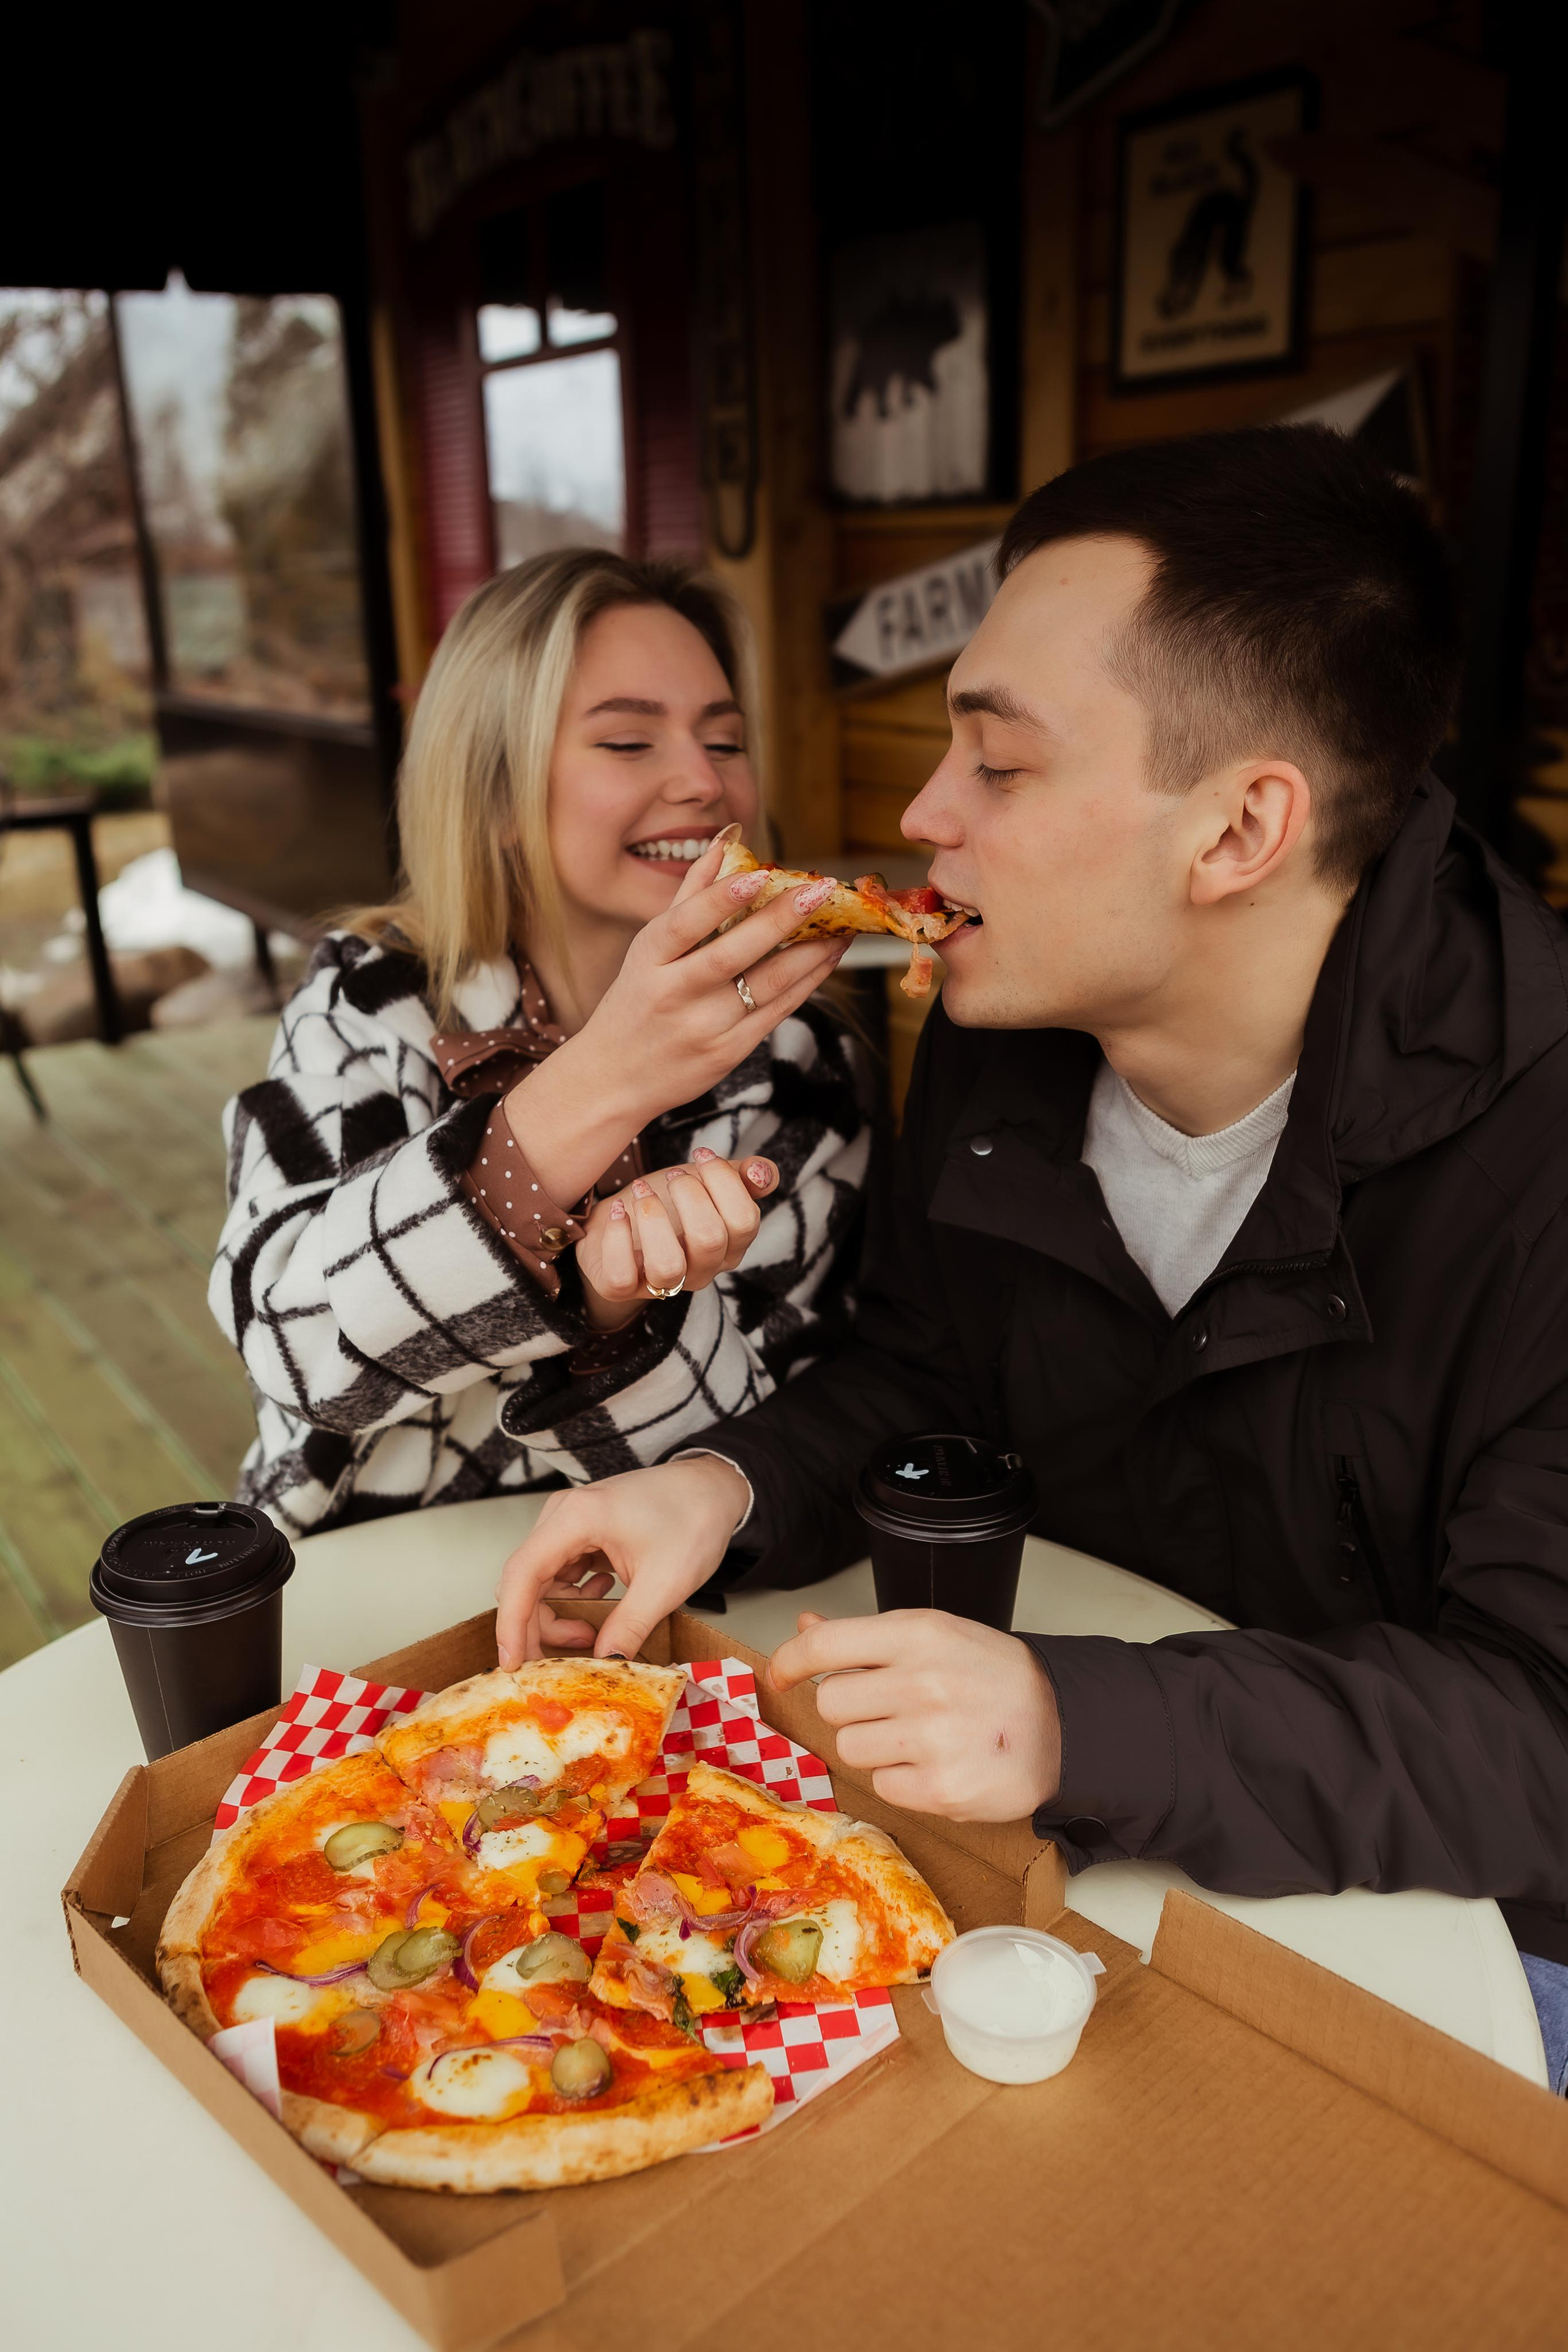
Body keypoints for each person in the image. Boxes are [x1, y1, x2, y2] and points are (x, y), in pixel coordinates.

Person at [496, 426, 1568, 2080]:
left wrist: (1078, 1721)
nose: (924, 814)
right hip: (1059, 1870)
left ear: (1236, 834)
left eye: (997, 765)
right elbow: (932, 1374)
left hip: (1473, 1933)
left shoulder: (1544, 1149)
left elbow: (1538, 1740)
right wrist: (720, 1492)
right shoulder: (1009, 1027)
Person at [211, 549, 875, 1537]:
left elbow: (762, 1454)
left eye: (725, 741)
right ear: (495, 796)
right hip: (346, 1585)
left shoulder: (798, 1061)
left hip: (650, 1600)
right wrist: (608, 1078)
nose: (702, 782)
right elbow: (295, 1350)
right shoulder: (373, 999)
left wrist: (614, 1315)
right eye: (627, 744)